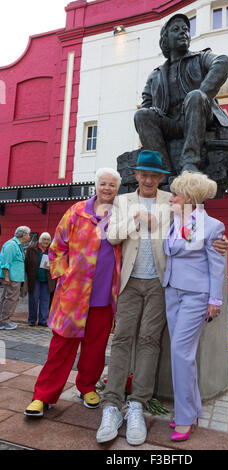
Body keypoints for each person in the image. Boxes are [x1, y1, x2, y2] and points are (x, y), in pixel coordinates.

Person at [96, 150, 228, 446]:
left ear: (160, 178)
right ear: (136, 175)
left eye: (153, 175)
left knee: (152, 343)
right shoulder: (122, 201)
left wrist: (221, 242)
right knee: (122, 340)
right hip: (137, 284)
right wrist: (136, 220)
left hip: (163, 284)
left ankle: (139, 406)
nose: (147, 179)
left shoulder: (173, 201)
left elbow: (203, 232)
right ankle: (112, 404)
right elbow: (111, 235)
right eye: (142, 174)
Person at [24, 168, 122, 417]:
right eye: (103, 184)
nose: (107, 188)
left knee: (95, 348)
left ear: (117, 188)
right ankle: (43, 395)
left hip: (104, 296)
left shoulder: (122, 215)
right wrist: (63, 276)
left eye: (112, 185)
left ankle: (87, 386)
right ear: (96, 185)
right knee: (61, 346)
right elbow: (58, 247)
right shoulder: (77, 212)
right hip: (73, 295)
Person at [163, 171, 226, 441]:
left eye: (175, 194)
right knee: (183, 355)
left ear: (188, 198)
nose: (171, 199)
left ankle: (185, 417)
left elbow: (217, 265)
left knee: (180, 353)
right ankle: (192, 409)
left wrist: (214, 300)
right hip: (172, 292)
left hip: (195, 297)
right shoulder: (173, 222)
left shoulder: (212, 226)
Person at [134, 13, 228, 173]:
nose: (184, 32)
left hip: (200, 116)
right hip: (172, 124)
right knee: (141, 115)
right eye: (176, 29)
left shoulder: (200, 57)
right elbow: (146, 108)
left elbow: (225, 62)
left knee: (195, 97)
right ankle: (163, 170)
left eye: (186, 29)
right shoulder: (155, 75)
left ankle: (190, 163)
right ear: (165, 39)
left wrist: (202, 95)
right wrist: (153, 112)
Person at [0, 226, 31, 330]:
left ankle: (2, 319)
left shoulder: (18, 245)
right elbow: (5, 263)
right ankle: (4, 321)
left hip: (15, 278)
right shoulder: (11, 245)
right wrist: (7, 277)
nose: (29, 236)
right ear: (23, 235)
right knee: (11, 299)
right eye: (28, 234)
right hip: (12, 278)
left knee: (6, 298)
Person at [25, 232, 56, 327]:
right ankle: (32, 320)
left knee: (45, 300)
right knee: (33, 299)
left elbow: (57, 263)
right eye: (44, 239)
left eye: (48, 240)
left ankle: (43, 320)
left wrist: (51, 267)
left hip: (47, 280)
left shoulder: (53, 250)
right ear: (40, 240)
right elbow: (26, 263)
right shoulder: (32, 249)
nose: (46, 241)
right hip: (34, 279)